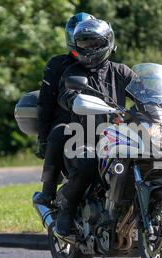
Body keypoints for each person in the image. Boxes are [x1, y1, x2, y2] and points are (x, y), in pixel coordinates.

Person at [55, 19, 136, 236]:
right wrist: (72, 99)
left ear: (107, 43)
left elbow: (144, 92)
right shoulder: (73, 72)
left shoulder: (121, 72)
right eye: (84, 43)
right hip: (84, 138)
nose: (89, 49)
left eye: (95, 43)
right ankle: (67, 207)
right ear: (76, 45)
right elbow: (65, 94)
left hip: (120, 137)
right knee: (89, 162)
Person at [34, 13, 96, 207]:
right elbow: (45, 104)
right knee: (59, 132)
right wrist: (43, 140)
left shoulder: (108, 66)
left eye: (91, 39)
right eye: (83, 38)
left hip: (102, 124)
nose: (88, 44)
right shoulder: (58, 64)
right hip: (68, 123)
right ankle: (48, 191)